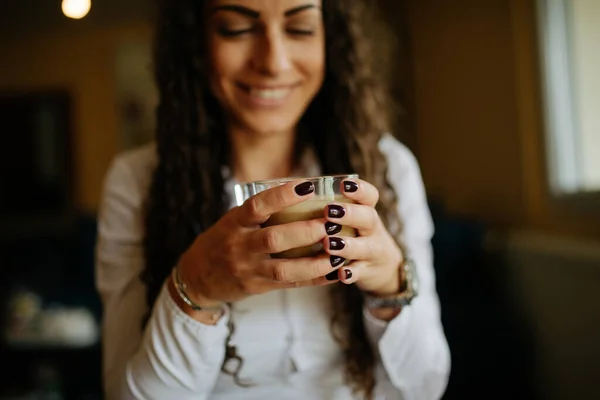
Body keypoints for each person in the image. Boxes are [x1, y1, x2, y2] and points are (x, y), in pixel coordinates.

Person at [95, 0, 451, 399]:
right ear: (196, 42)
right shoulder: (136, 182)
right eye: (236, 28)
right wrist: (194, 286)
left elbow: (425, 386)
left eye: (299, 28)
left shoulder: (389, 168)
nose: (273, 62)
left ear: (330, 40)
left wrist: (391, 283)